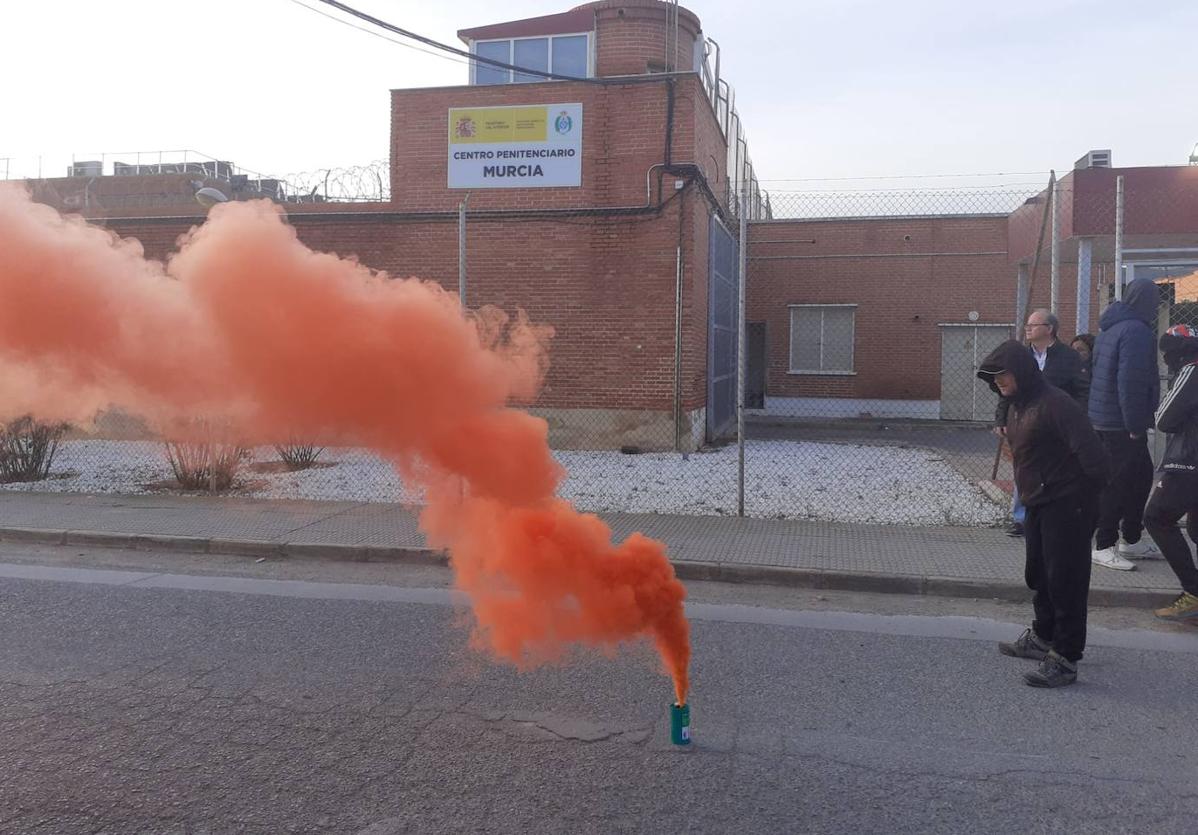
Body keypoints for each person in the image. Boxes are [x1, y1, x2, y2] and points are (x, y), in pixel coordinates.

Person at [979, 340, 1109, 688]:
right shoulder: (1016, 405)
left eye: (1002, 375)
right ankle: (1043, 637)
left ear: (1020, 371)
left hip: (1068, 503)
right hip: (1038, 501)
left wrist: (1084, 505)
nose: (998, 383)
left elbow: (1095, 459)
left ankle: (1065, 657)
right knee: (1039, 573)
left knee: (1066, 580)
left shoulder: (1056, 404)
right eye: (993, 379)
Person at [1088, 277, 1162, 571]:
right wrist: (1134, 424)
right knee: (1119, 483)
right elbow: (1130, 382)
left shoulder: (1111, 328)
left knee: (1140, 476)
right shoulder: (1137, 331)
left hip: (1106, 418)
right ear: (1146, 302)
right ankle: (1104, 544)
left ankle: (1131, 539)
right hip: (1122, 423)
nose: (1156, 306)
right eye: (1154, 300)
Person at [998, 310, 1089, 538]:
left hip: (1056, 425)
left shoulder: (1068, 357)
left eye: (1033, 324)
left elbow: (1081, 389)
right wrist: (1001, 418)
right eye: (1027, 325)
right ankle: (1022, 519)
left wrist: (1074, 418)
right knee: (1024, 467)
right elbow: (1006, 388)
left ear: (1049, 329)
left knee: (1056, 469)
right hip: (1024, 422)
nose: (1027, 328)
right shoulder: (1021, 357)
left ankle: (1053, 517)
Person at [1143, 325, 1198, 622]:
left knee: (1157, 517)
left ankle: (1194, 592)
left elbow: (1164, 419)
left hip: (1189, 461)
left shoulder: (1191, 370)